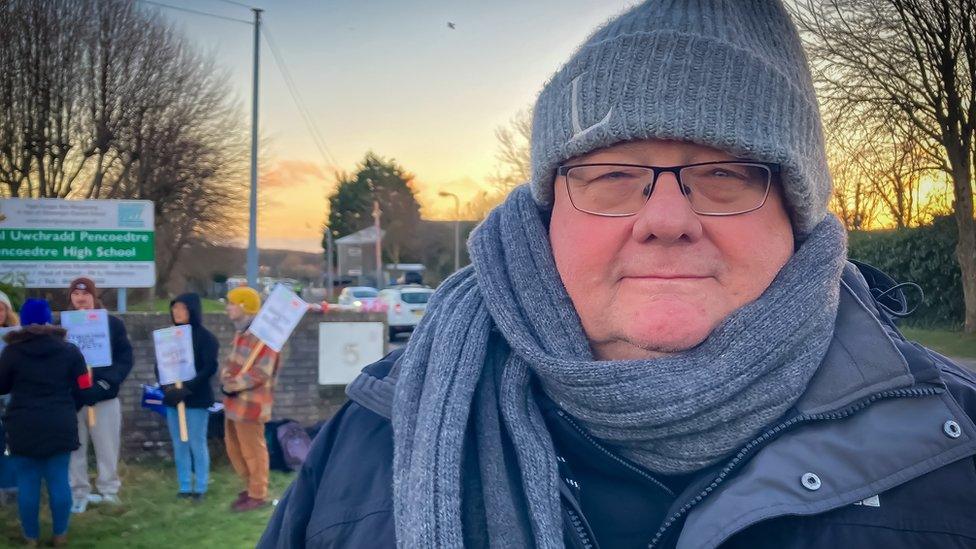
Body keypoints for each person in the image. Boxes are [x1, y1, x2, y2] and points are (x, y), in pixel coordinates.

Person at [260, 2, 976, 548]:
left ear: (798, 216)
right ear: (546, 214)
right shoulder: (374, 434)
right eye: (611, 175)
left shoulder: (955, 452)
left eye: (725, 173)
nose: (666, 217)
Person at [0, 299, 93, 547]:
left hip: (22, 424)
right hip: (60, 422)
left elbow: (2, 386)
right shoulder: (71, 351)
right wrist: (69, 408)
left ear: (24, 321)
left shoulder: (11, 352)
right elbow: (84, 387)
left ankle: (30, 537)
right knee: (59, 481)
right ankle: (60, 534)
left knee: (28, 483)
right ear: (49, 320)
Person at [64, 277, 134, 513]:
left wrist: (105, 383)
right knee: (76, 448)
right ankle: (79, 492)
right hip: (74, 400)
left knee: (107, 446)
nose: (80, 299)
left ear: (94, 297)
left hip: (104, 397)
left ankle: (109, 489)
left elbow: (125, 359)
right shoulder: (62, 327)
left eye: (85, 294)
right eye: (75, 294)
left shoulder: (112, 324)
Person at [220, 286, 280, 512]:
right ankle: (250, 487)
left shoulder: (265, 338)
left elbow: (262, 371)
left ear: (244, 306)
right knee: (235, 448)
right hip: (234, 404)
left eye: (232, 303)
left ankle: (258, 493)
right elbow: (231, 362)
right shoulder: (240, 334)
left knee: (253, 450)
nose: (228, 308)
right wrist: (226, 379)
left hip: (251, 405)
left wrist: (234, 385)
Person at [156, 293, 219, 501]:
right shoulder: (168, 337)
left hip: (196, 399)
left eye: (182, 308)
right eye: (174, 308)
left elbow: (209, 367)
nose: (177, 312)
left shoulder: (206, 338)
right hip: (174, 399)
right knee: (179, 442)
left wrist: (188, 387)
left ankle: (200, 485)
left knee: (196, 442)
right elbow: (161, 366)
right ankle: (184, 485)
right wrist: (168, 390)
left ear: (192, 310)